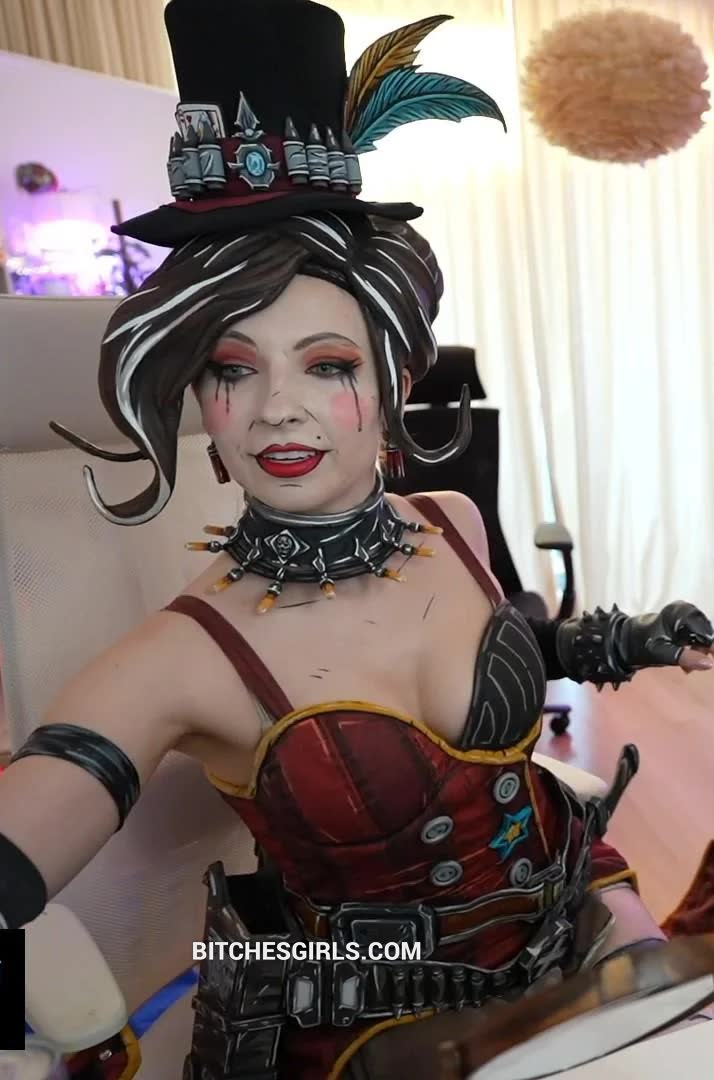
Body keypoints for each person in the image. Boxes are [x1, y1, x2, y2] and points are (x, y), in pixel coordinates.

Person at [1, 2, 713, 1078]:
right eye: (233, 370)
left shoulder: (447, 521)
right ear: (197, 395)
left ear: (390, 381)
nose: (277, 408)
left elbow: (508, 644)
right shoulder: (179, 654)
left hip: (580, 934)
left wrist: (627, 640)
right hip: (366, 1033)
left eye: (326, 365)